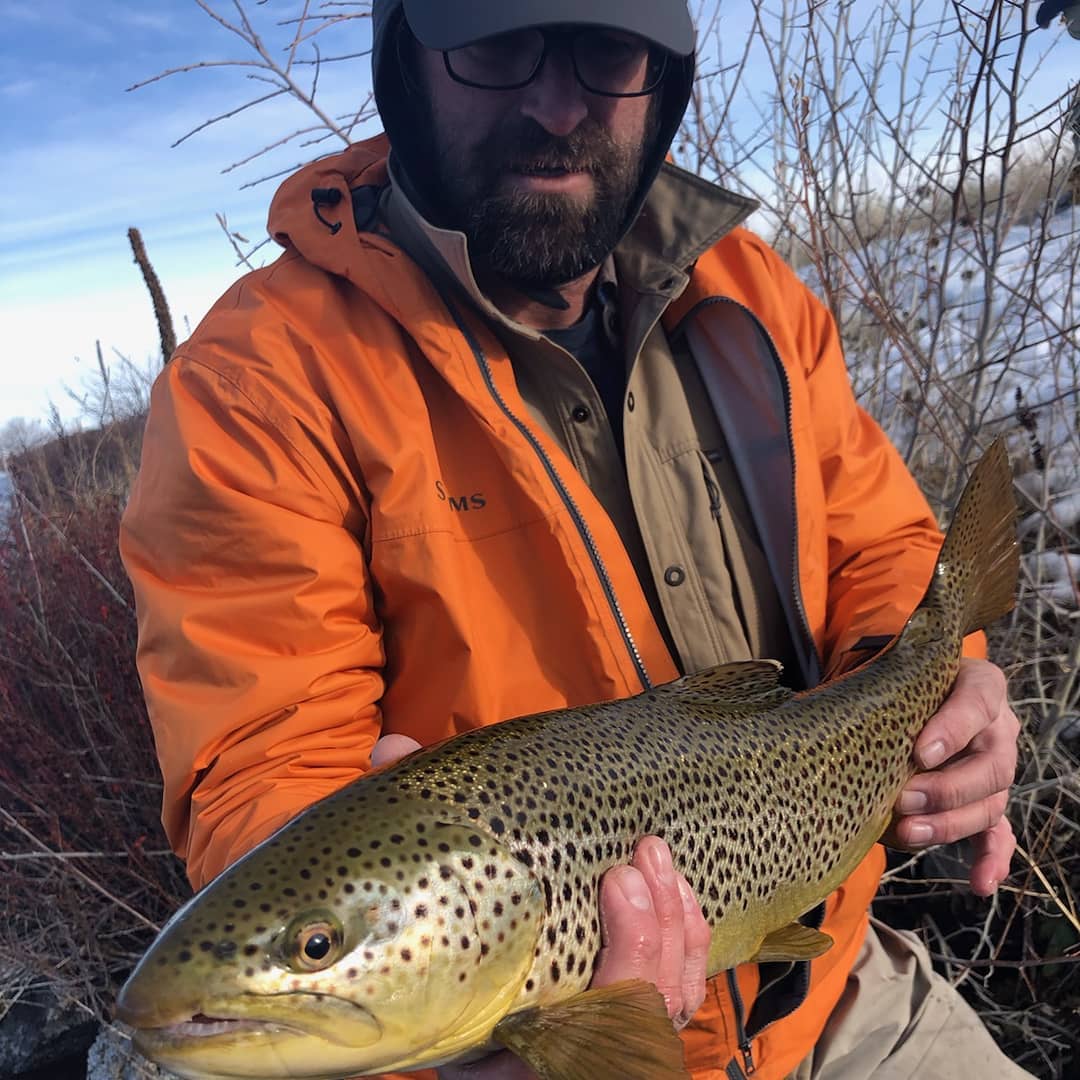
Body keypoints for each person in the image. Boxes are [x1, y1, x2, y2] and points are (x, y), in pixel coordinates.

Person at [119, 1, 1042, 1077]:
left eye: (607, 51)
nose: (557, 105)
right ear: (402, 60)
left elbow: (879, 549)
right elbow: (265, 769)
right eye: (498, 41)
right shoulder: (258, 385)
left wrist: (951, 688)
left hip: (847, 998)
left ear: (667, 79)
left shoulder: (752, 295)